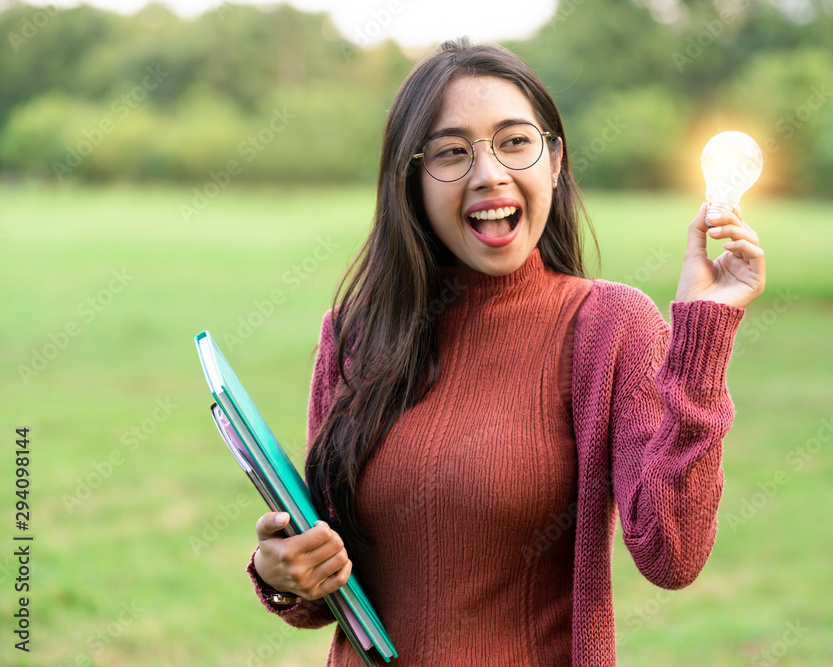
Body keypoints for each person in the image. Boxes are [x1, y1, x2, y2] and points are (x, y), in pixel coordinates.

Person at [247, 37, 765, 666]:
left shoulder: (610, 326)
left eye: (515, 141)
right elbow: (333, 576)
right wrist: (283, 572)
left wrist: (703, 334)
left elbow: (672, 554)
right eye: (451, 152)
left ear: (554, 159)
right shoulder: (357, 332)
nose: (489, 174)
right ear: (411, 180)